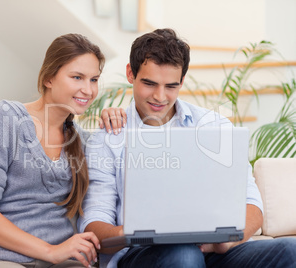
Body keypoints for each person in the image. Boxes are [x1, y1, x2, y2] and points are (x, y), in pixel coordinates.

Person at [78, 28, 296, 268]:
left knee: (289, 249)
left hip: (214, 252)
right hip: (145, 255)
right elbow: (94, 223)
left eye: (171, 86)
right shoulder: (109, 137)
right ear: (131, 73)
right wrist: (136, 229)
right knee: (184, 255)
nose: (160, 96)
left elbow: (252, 203)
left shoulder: (215, 126)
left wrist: (222, 243)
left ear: (182, 80)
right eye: (149, 83)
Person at [0, 33, 126, 268]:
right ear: (49, 78)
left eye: (94, 79)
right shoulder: (5, 119)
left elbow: (113, 188)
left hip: (61, 261)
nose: (88, 90)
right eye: (77, 77)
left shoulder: (85, 142)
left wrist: (117, 122)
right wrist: (50, 251)